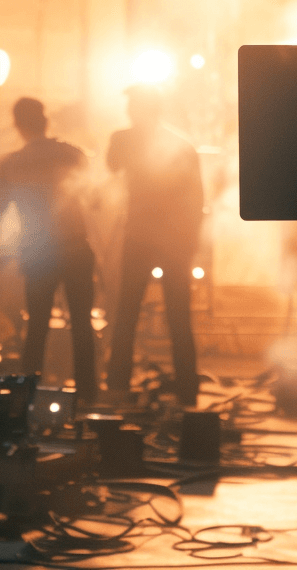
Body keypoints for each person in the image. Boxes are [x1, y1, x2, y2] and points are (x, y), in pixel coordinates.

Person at [105, 85, 205, 406]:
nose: (128, 111)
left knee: (127, 313)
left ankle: (118, 385)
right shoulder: (181, 145)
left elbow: (111, 166)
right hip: (173, 241)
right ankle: (187, 389)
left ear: (141, 108)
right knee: (179, 316)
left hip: (141, 237)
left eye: (133, 105)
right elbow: (197, 199)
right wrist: (190, 242)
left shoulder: (123, 139)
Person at [0, 97, 97, 404]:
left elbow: (0, 210)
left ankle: (29, 394)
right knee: (82, 323)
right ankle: (88, 394)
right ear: (45, 121)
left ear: (19, 125)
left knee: (37, 325)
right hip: (76, 247)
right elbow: (93, 197)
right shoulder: (72, 153)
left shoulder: (13, 163)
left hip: (40, 251)